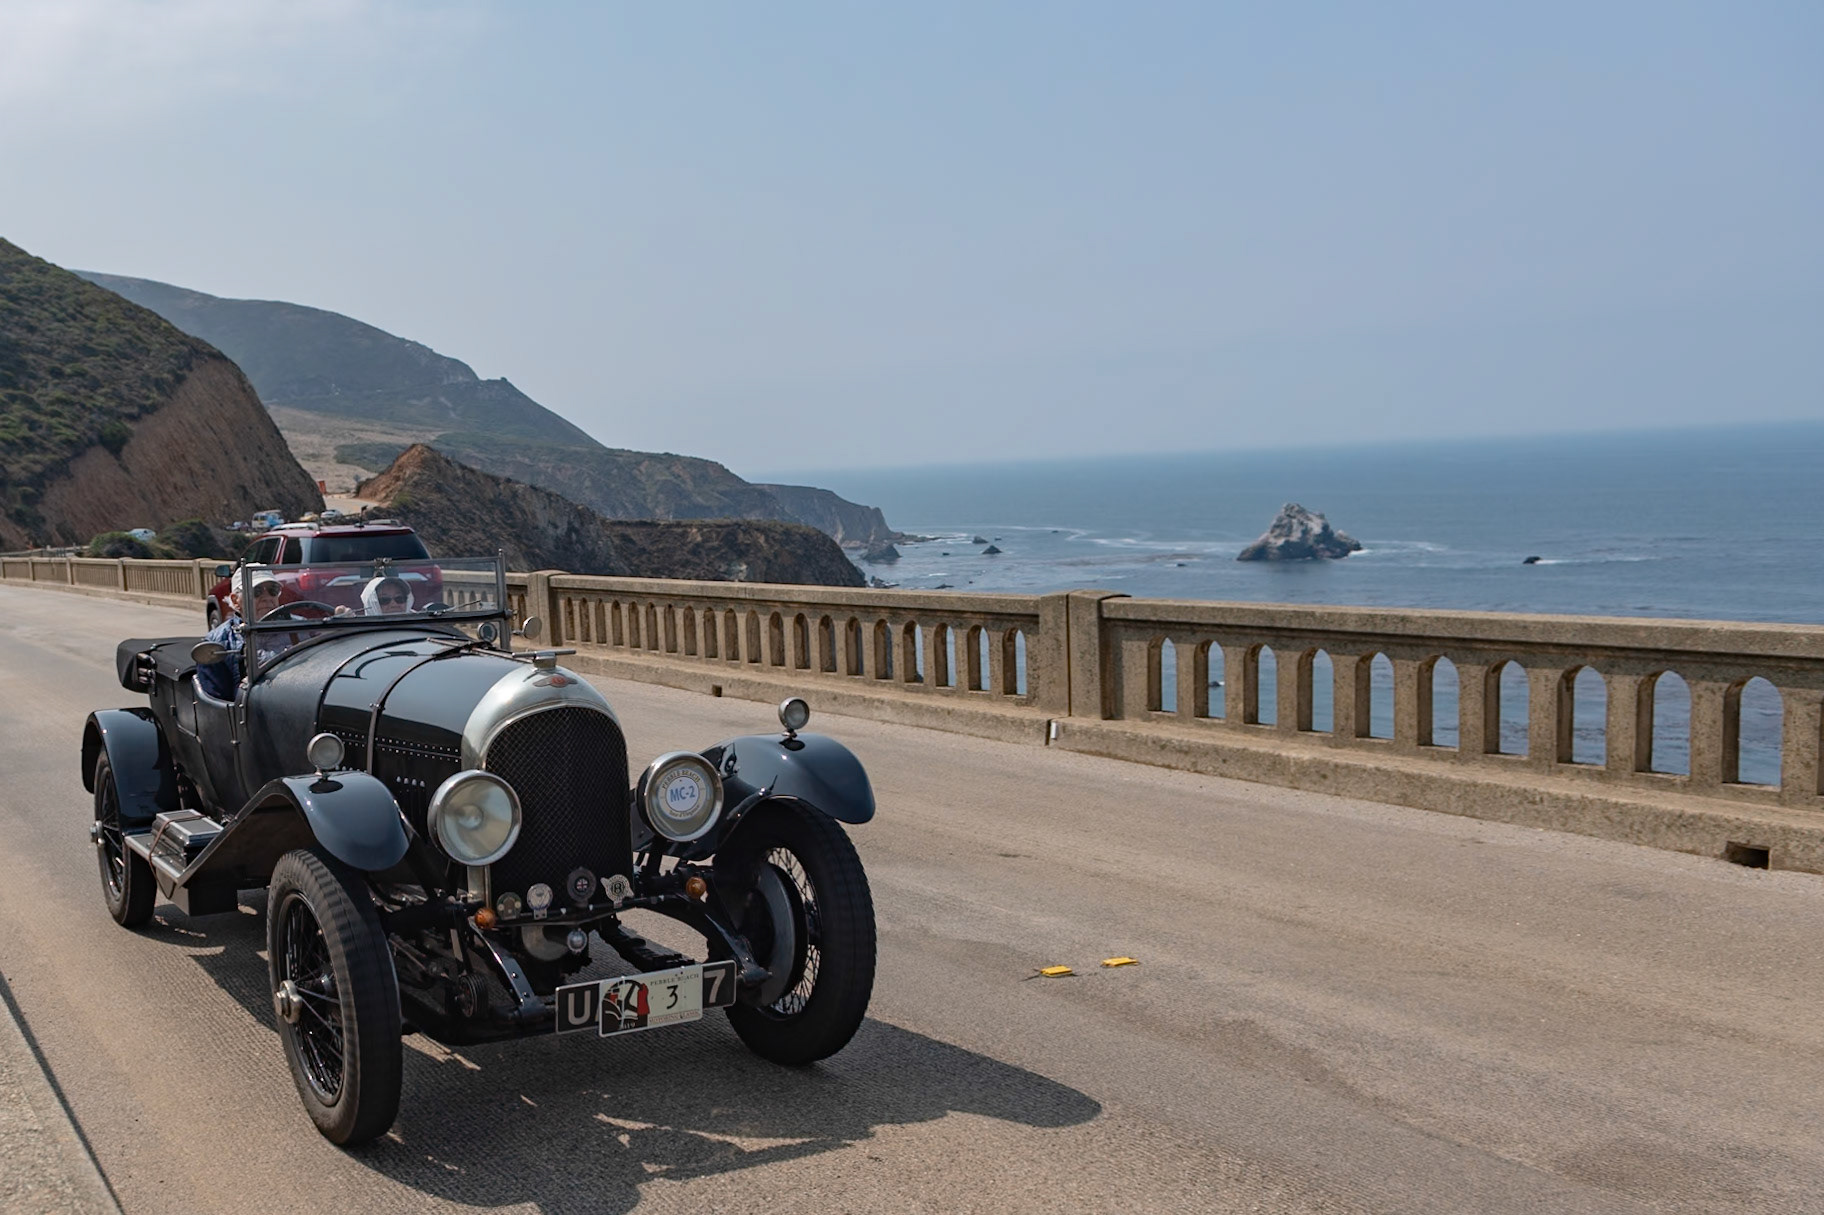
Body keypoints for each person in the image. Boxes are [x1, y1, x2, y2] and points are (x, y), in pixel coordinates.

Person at [196, 570, 282, 700]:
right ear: (235, 600)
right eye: (256, 592)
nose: (267, 597)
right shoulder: (218, 642)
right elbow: (218, 703)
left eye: (273, 590)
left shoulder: (303, 628)